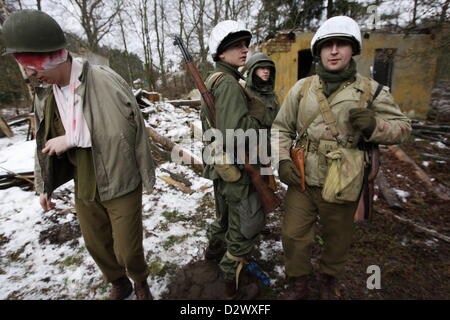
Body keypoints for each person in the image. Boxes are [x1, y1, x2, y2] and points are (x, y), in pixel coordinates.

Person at [2, 10, 156, 300]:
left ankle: (140, 282)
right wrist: (43, 184)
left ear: (55, 55)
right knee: (96, 243)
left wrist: (71, 138)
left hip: (120, 177)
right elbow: (43, 142)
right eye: (25, 66)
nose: (31, 74)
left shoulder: (103, 80)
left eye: (33, 65)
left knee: (127, 248)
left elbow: (121, 132)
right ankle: (119, 283)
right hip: (84, 179)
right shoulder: (45, 94)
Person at [271, 16, 411, 300]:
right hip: (303, 176)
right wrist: (282, 161)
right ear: (319, 51)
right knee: (293, 235)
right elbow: (280, 129)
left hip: (343, 178)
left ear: (352, 50)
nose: (334, 51)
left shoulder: (372, 91)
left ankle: (327, 280)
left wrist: (375, 127)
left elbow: (403, 128)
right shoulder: (303, 88)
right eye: (328, 45)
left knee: (337, 239)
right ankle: (298, 282)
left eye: (341, 44)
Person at [200, 20, 267, 299]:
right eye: (237, 45)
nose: (245, 49)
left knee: (226, 218)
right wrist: (260, 119)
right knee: (246, 225)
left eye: (245, 43)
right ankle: (230, 275)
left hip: (223, 167)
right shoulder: (227, 83)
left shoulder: (216, 79)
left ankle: (213, 252)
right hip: (236, 166)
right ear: (220, 52)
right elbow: (235, 133)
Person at [243, 52, 280, 131]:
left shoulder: (273, 96)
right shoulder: (244, 93)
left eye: (268, 68)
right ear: (253, 70)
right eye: (262, 68)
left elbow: (279, 122)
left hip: (270, 139)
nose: (266, 71)